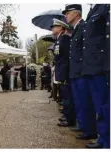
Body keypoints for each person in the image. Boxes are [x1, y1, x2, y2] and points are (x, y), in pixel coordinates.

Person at [76, 4, 110, 148]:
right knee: (99, 106)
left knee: (104, 105)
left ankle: (107, 141)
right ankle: (103, 138)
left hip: (101, 65)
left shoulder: (105, 7)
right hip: (91, 67)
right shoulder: (94, 10)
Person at [63, 4, 98, 141]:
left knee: (85, 102)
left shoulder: (83, 27)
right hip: (75, 72)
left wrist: (84, 69)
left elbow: (85, 51)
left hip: (82, 71)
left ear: (76, 13)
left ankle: (90, 130)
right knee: (79, 101)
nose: (66, 15)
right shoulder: (76, 29)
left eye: (68, 12)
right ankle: (83, 125)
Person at [51, 19, 75, 127]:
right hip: (61, 70)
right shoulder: (59, 39)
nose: (52, 28)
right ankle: (67, 115)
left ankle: (69, 118)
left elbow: (66, 57)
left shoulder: (64, 38)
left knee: (67, 96)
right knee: (64, 95)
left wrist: (64, 72)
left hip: (65, 71)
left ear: (61, 27)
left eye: (54, 26)